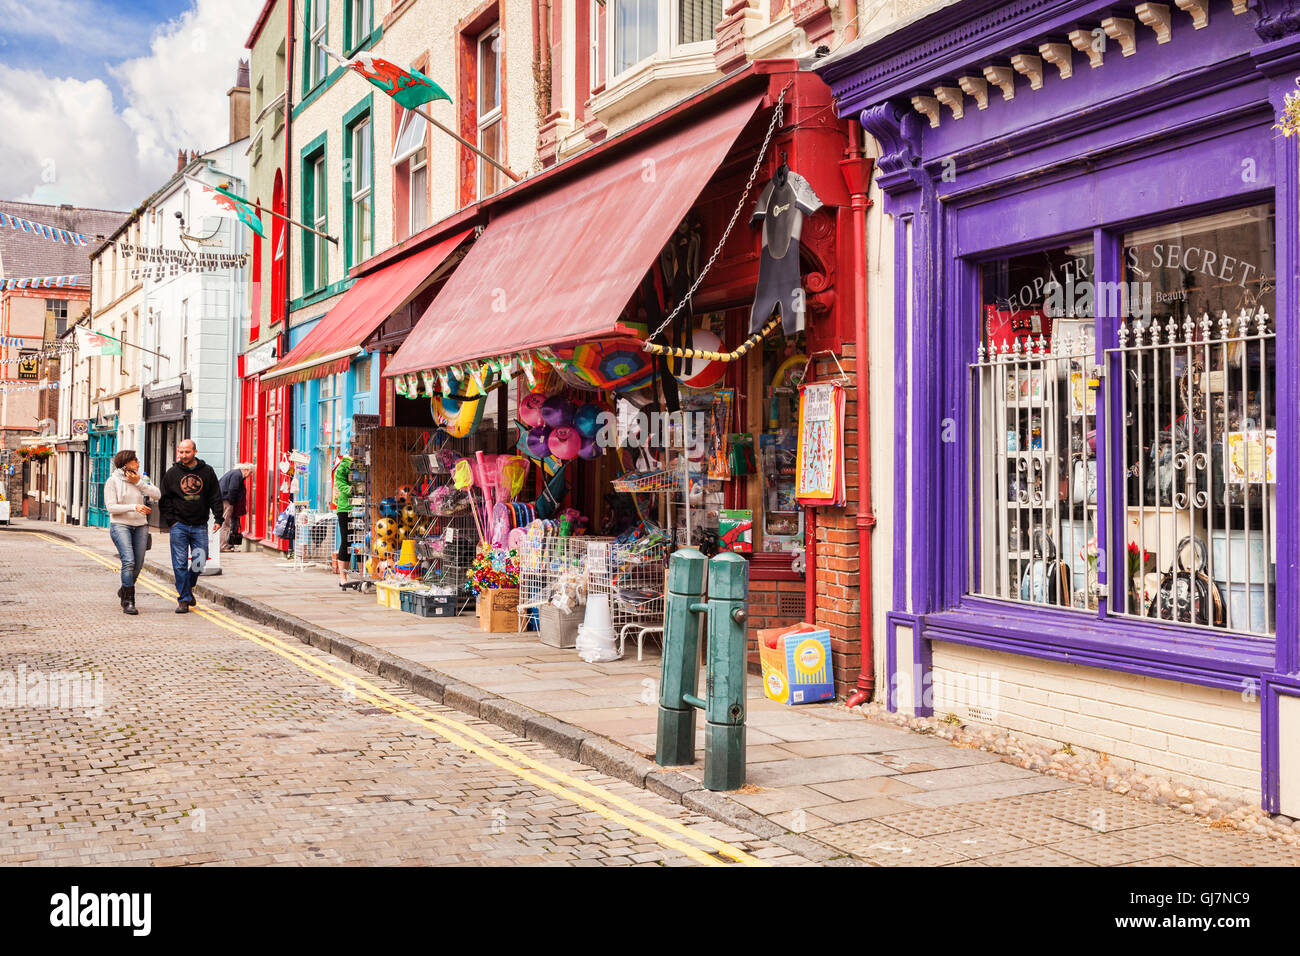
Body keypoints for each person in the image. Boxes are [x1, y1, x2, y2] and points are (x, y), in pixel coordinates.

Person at [160, 439, 222, 614]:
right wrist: (172, 521)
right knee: (179, 563)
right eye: (181, 452)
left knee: (200, 560)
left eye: (187, 452)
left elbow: (215, 496)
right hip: (179, 525)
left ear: (195, 452)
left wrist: (218, 518)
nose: (183, 456)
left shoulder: (207, 471)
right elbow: (164, 500)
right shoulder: (172, 473)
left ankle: (186, 586)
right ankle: (184, 599)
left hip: (200, 524)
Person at [103, 450, 161, 615]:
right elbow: (111, 507)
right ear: (126, 463)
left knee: (139, 563)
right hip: (120, 525)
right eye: (135, 459)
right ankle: (128, 601)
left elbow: (157, 495)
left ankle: (124, 588)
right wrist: (134, 507)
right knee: (128, 561)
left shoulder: (141, 479)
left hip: (140, 525)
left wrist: (139, 483)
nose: (138, 461)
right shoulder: (112, 481)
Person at [218, 462, 254, 552]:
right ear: (245, 470)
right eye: (250, 473)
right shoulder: (237, 475)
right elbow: (233, 489)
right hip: (227, 501)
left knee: (224, 522)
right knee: (225, 523)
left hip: (223, 499)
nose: (250, 475)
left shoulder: (234, 473)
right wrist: (232, 502)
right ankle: (223, 546)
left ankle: (223, 545)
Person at [331, 451, 354, 587]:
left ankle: (362, 573)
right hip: (345, 508)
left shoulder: (362, 465)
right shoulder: (343, 466)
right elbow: (340, 484)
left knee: (359, 543)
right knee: (346, 541)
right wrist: (352, 489)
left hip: (360, 508)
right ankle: (343, 577)